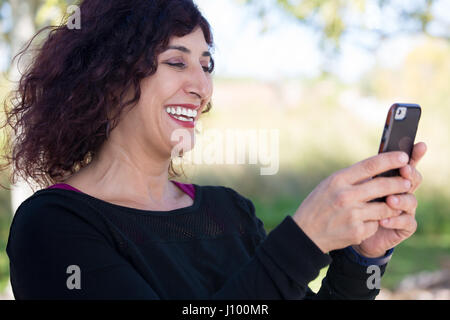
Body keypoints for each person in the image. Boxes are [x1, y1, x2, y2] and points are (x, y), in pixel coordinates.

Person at [2, 0, 426, 300]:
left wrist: (363, 257)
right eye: (176, 62)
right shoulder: (53, 225)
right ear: (108, 78)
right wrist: (304, 240)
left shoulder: (228, 211)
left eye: (206, 66)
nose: (201, 87)